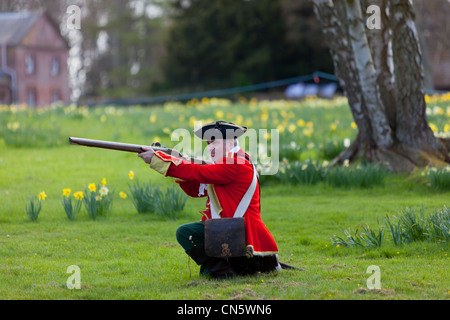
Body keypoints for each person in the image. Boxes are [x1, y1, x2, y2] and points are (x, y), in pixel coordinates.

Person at [138, 120, 280, 279]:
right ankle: (224, 267)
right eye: (208, 143)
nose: (210, 147)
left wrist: (159, 159)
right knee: (202, 262)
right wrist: (178, 161)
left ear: (230, 141)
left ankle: (223, 272)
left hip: (242, 234)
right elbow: (195, 189)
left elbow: (198, 172)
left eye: (215, 142)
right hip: (230, 228)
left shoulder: (235, 162)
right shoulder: (228, 162)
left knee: (186, 233)